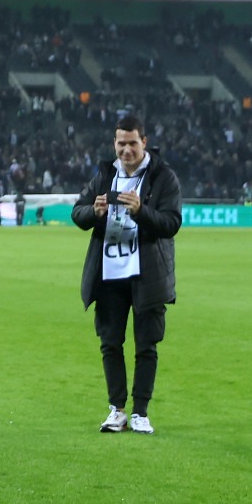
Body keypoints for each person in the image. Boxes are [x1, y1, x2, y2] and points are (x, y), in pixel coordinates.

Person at [71, 114, 181, 436]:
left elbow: (172, 223)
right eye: (121, 143)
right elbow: (77, 213)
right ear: (114, 144)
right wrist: (94, 211)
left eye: (133, 143)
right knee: (110, 343)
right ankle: (116, 411)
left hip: (147, 275)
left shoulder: (163, 177)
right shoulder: (105, 175)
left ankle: (141, 413)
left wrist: (141, 211)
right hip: (109, 275)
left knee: (146, 345)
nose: (127, 150)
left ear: (144, 142)